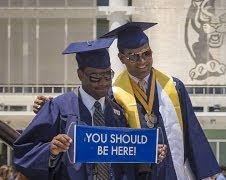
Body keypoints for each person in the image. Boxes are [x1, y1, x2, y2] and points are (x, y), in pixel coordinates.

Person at [33, 22, 220, 179]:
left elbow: (192, 130)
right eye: (133, 56)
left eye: (147, 53)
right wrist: (50, 107)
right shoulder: (112, 91)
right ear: (122, 58)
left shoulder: (173, 86)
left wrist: (206, 172)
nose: (142, 61)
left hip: (172, 169)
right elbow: (86, 107)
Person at [13, 38, 166, 180]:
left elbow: (125, 158)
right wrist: (50, 150)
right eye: (95, 77)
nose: (103, 83)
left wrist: (149, 152)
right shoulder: (59, 107)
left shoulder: (117, 111)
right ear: (80, 75)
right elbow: (24, 151)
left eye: (107, 75)